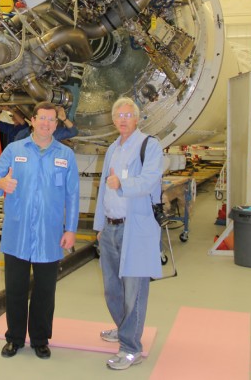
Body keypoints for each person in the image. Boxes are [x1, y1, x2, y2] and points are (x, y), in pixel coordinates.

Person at [0, 101, 79, 360]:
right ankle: (14, 339)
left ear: (56, 124)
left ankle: (40, 339)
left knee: (44, 292)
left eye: (51, 120)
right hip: (17, 232)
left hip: (49, 235)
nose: (46, 124)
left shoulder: (65, 156)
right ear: (32, 120)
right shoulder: (15, 149)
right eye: (42, 119)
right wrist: (2, 182)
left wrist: (70, 229)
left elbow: (73, 195)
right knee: (15, 289)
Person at [93, 97, 163, 371]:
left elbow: (149, 181)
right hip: (110, 228)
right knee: (112, 287)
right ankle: (124, 328)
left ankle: (131, 347)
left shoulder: (150, 145)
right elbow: (102, 189)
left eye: (127, 114)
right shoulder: (112, 148)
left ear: (137, 118)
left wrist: (121, 184)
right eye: (118, 115)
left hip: (135, 228)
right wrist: (100, 226)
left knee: (133, 290)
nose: (122, 119)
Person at [14, 106, 79, 142]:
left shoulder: (54, 134)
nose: (45, 122)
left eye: (50, 119)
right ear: (33, 120)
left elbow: (73, 132)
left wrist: (64, 119)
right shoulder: (22, 134)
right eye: (42, 118)